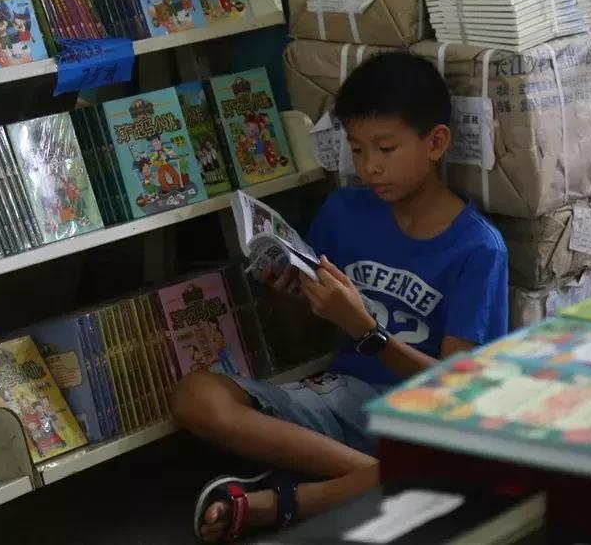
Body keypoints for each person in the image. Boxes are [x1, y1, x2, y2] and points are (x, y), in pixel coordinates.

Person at [171, 51, 509, 542]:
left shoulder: (478, 247)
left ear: (435, 143)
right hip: (337, 400)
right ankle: (376, 480)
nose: (370, 167)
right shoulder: (346, 210)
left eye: (386, 149)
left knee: (464, 451)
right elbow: (301, 337)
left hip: (418, 419)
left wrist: (367, 333)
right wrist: (285, 294)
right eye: (357, 148)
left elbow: (461, 390)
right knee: (195, 396)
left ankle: (286, 501)